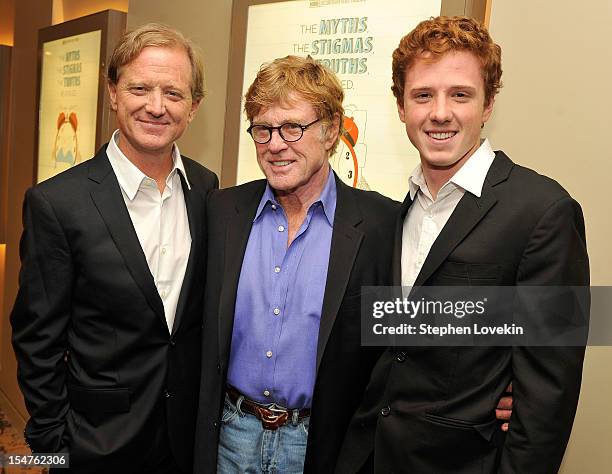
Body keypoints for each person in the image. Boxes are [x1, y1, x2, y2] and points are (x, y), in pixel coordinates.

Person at [336, 16, 589, 473]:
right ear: (400, 106)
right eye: (423, 95)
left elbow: (548, 398)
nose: (439, 112)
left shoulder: (543, 212)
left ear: (488, 103)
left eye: (460, 94)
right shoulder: (400, 211)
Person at [10, 23, 218, 473]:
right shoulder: (57, 204)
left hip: (186, 443)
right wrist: (54, 448)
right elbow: (36, 340)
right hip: (94, 446)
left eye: (174, 93)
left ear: (194, 106)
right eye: (139, 88)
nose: (156, 107)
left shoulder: (206, 189)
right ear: (113, 93)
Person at [193, 55, 398, 474]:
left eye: (292, 127)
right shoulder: (222, 210)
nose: (275, 144)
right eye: (263, 129)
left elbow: (397, 349)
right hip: (231, 434)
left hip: (316, 442)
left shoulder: (381, 224)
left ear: (331, 130)